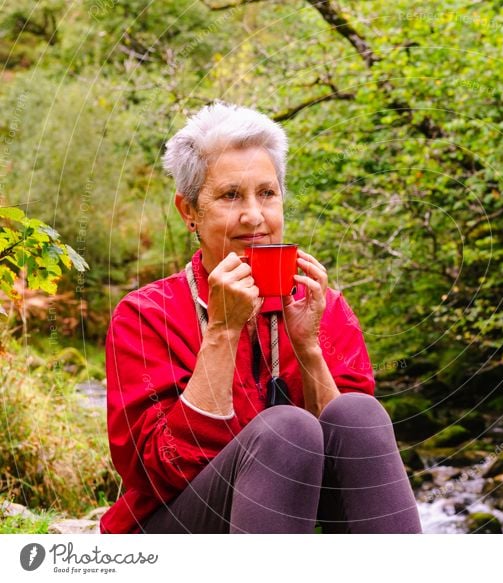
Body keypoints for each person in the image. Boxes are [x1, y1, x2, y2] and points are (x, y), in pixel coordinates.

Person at [100, 102, 422, 534]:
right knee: (284, 427)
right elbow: (158, 473)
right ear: (189, 211)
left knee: (358, 414)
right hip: (176, 526)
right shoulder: (144, 315)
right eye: (231, 195)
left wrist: (308, 350)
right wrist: (222, 331)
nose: (254, 216)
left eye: (266, 194)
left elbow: (347, 468)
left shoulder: (321, 305)